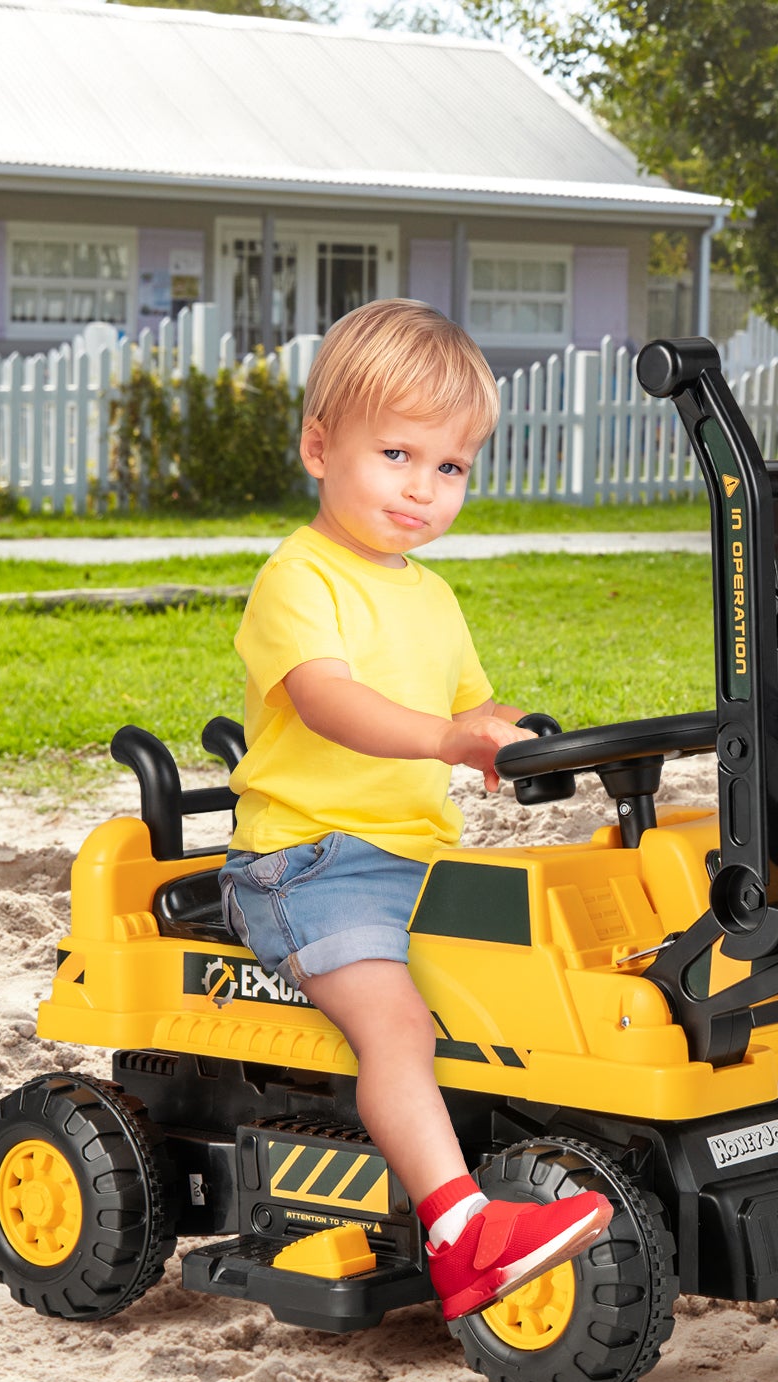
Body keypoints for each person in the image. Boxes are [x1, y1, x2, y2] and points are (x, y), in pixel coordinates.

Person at [218, 300, 612, 1321]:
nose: (423, 488)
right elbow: (329, 703)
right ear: (318, 446)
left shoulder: (432, 597)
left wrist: (507, 732)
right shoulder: (296, 580)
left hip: (419, 863)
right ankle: (460, 1232)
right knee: (397, 1025)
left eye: (450, 467)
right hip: (310, 864)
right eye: (396, 452)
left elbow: (466, 709)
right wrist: (447, 739)